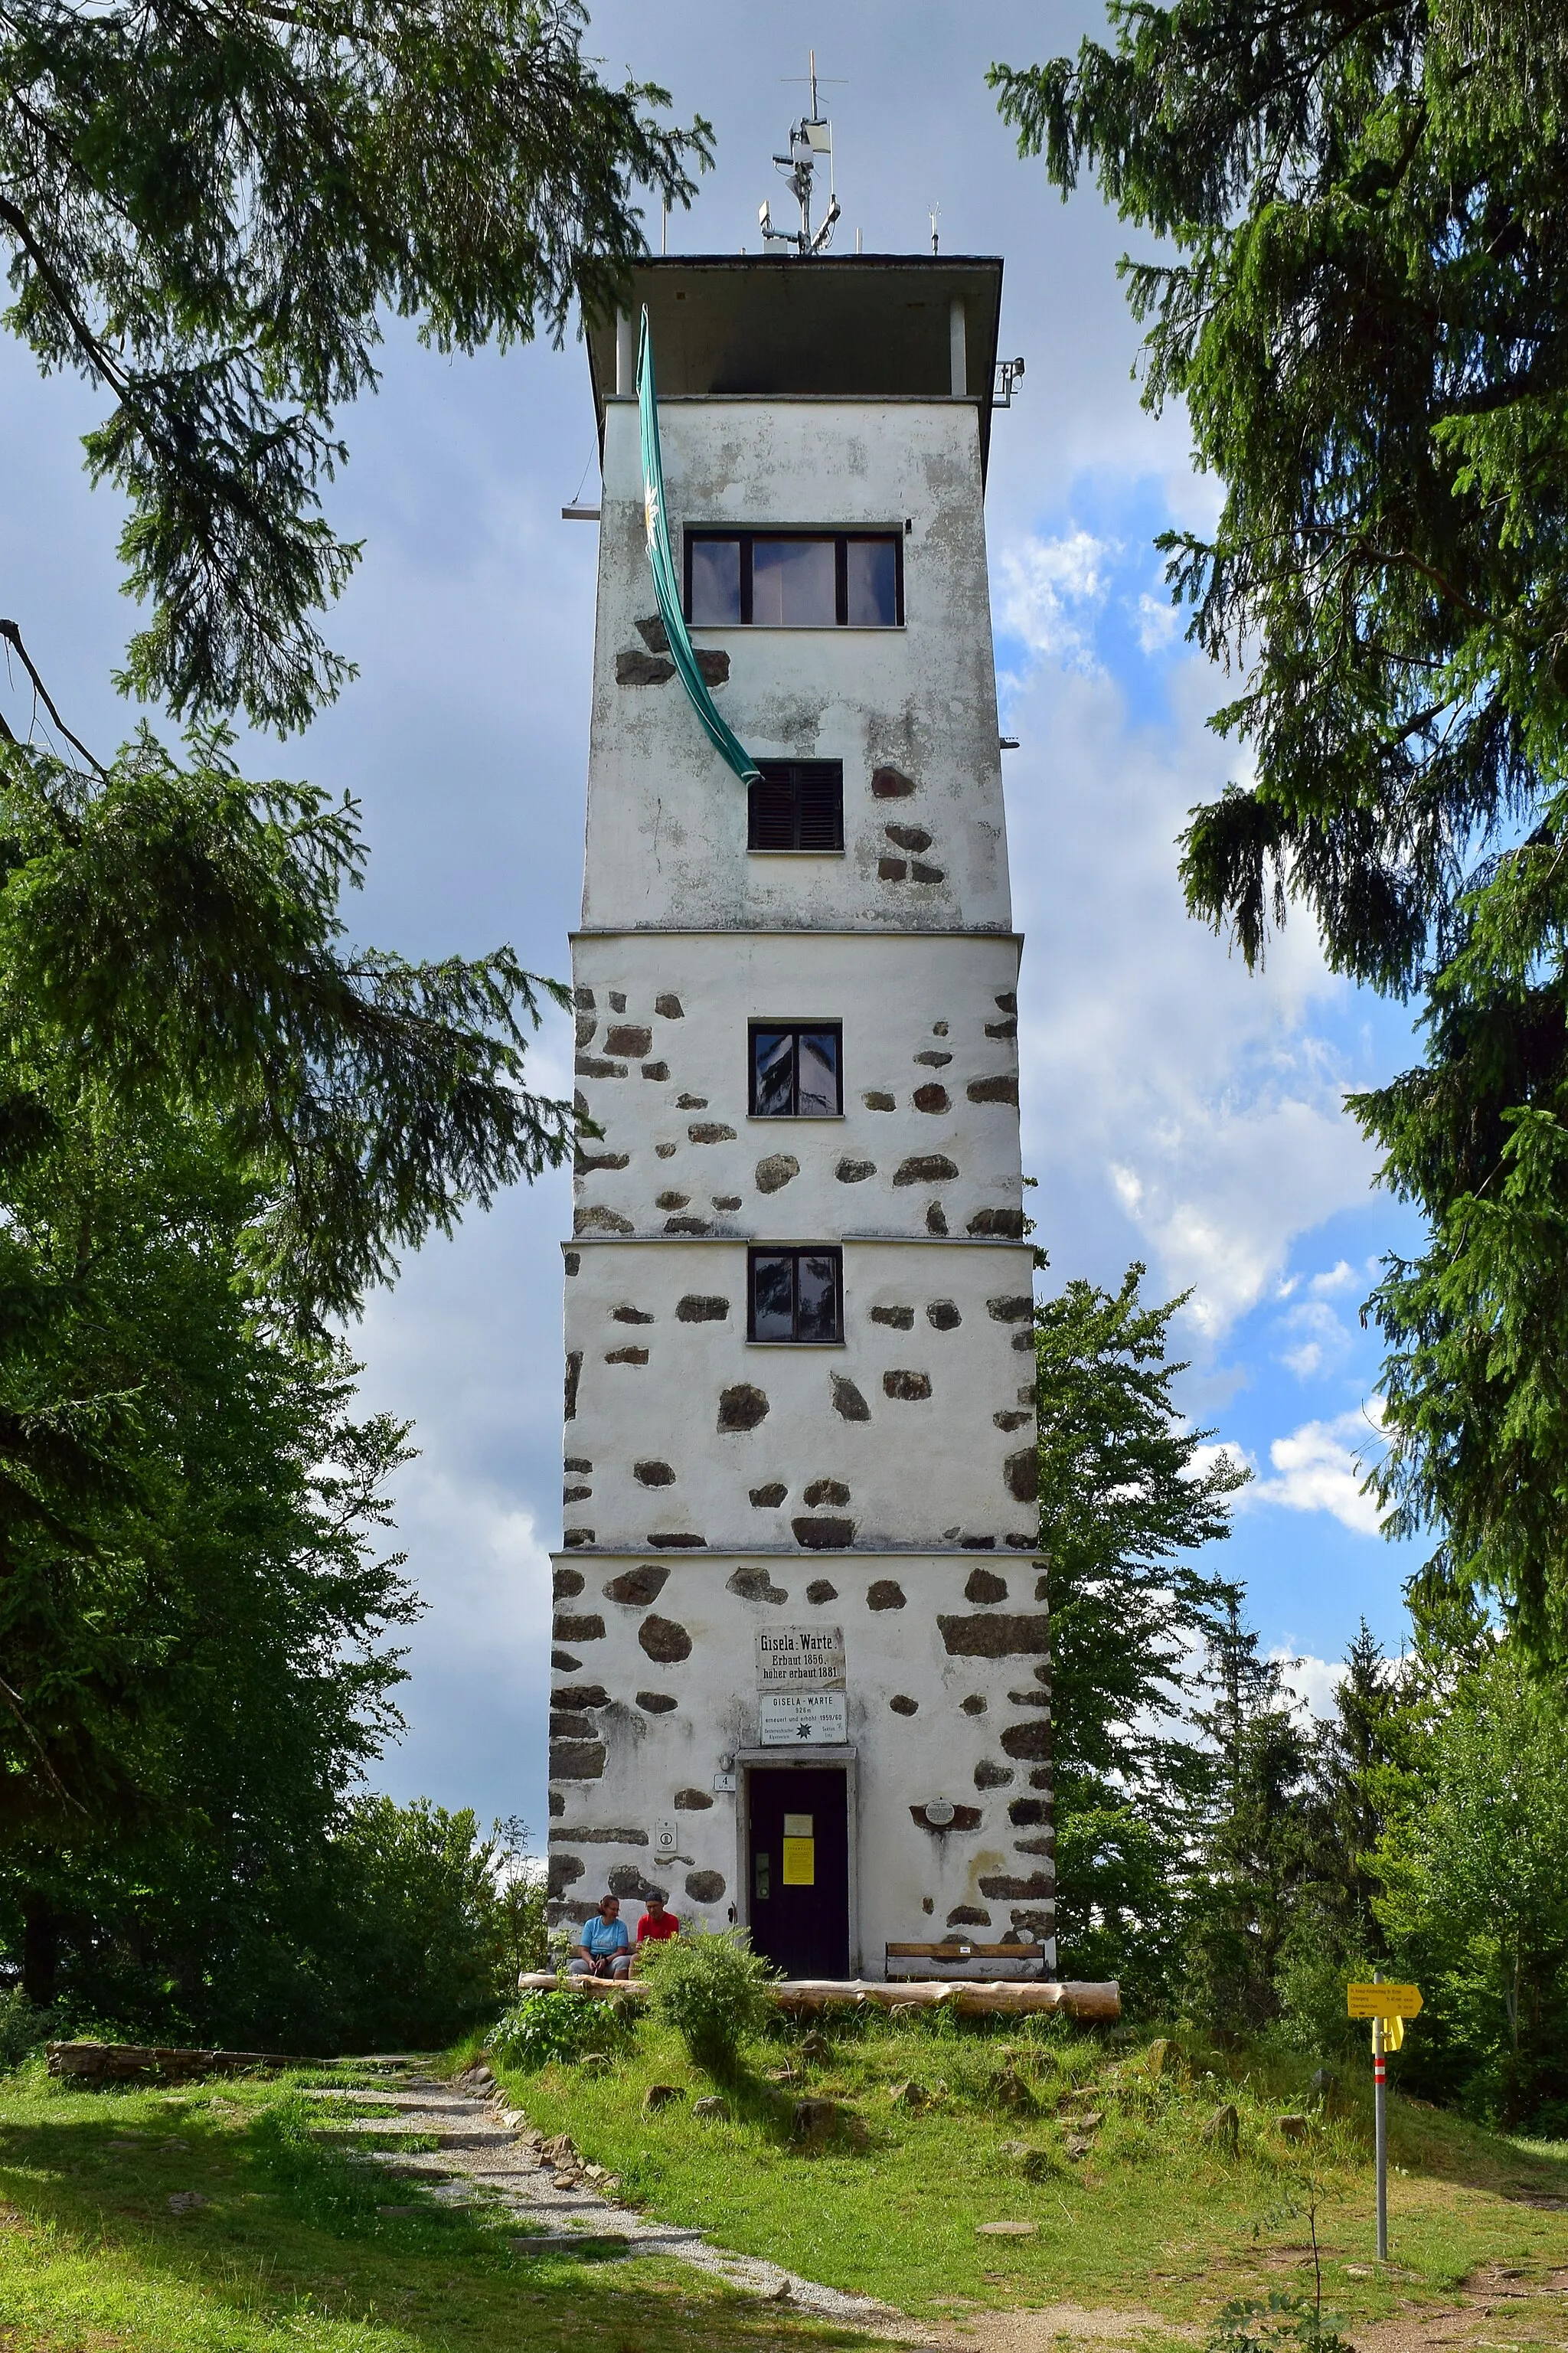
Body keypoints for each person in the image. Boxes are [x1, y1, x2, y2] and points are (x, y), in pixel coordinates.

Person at [570, 1894, 632, 1979]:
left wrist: (606, 1961)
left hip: (610, 1962)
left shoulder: (621, 1926)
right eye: (613, 1909)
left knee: (623, 1961)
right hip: (593, 1962)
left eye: (617, 1910)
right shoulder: (591, 1924)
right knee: (575, 1966)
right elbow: (584, 1950)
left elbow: (621, 1951)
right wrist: (590, 1961)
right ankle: (581, 1991)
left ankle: (616, 1990)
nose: (616, 1913)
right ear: (604, 1908)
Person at [634, 1891, 679, 1966]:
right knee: (635, 1958)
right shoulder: (643, 1921)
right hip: (648, 1954)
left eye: (655, 1906)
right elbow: (640, 1942)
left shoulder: (672, 1920)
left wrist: (655, 1945)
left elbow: (673, 1945)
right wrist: (640, 1946)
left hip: (666, 1954)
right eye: (649, 1907)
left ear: (662, 1905)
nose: (652, 1910)